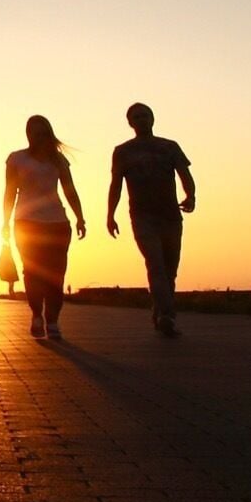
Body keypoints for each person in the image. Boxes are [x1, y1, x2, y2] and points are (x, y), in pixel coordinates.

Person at [108, 102, 196, 336]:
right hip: (142, 216)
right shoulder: (123, 152)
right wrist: (110, 215)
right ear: (130, 123)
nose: (141, 120)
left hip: (170, 215)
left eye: (145, 116)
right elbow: (116, 184)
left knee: (169, 270)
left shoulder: (169, 147)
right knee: (155, 264)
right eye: (136, 117)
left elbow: (184, 174)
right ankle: (168, 315)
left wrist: (191, 196)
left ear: (153, 118)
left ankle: (160, 312)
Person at [3, 115, 84, 339]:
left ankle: (53, 320)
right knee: (32, 272)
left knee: (56, 275)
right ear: (28, 135)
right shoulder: (16, 159)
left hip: (57, 223)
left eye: (42, 133)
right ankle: (37, 315)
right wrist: (5, 222)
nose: (38, 137)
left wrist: (80, 217)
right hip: (26, 224)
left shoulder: (58, 160)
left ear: (49, 133)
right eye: (34, 133)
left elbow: (69, 190)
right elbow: (9, 193)